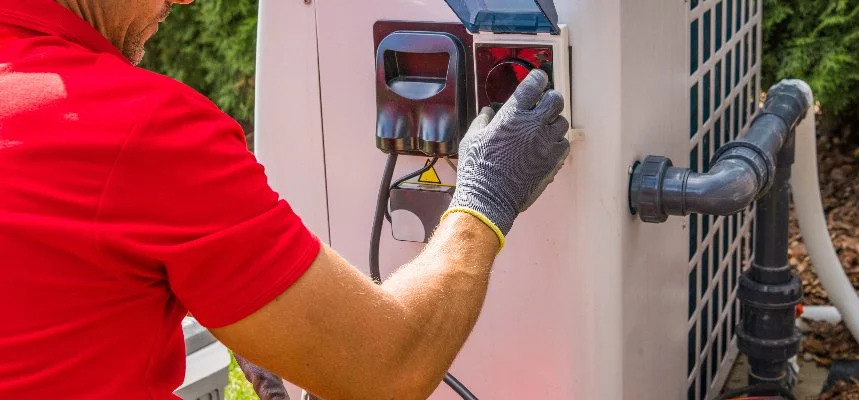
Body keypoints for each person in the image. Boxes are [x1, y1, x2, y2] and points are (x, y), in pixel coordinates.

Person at [0, 1, 571, 399]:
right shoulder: (137, 128)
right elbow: (390, 369)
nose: (186, 0)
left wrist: (227, 297)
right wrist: (483, 197)